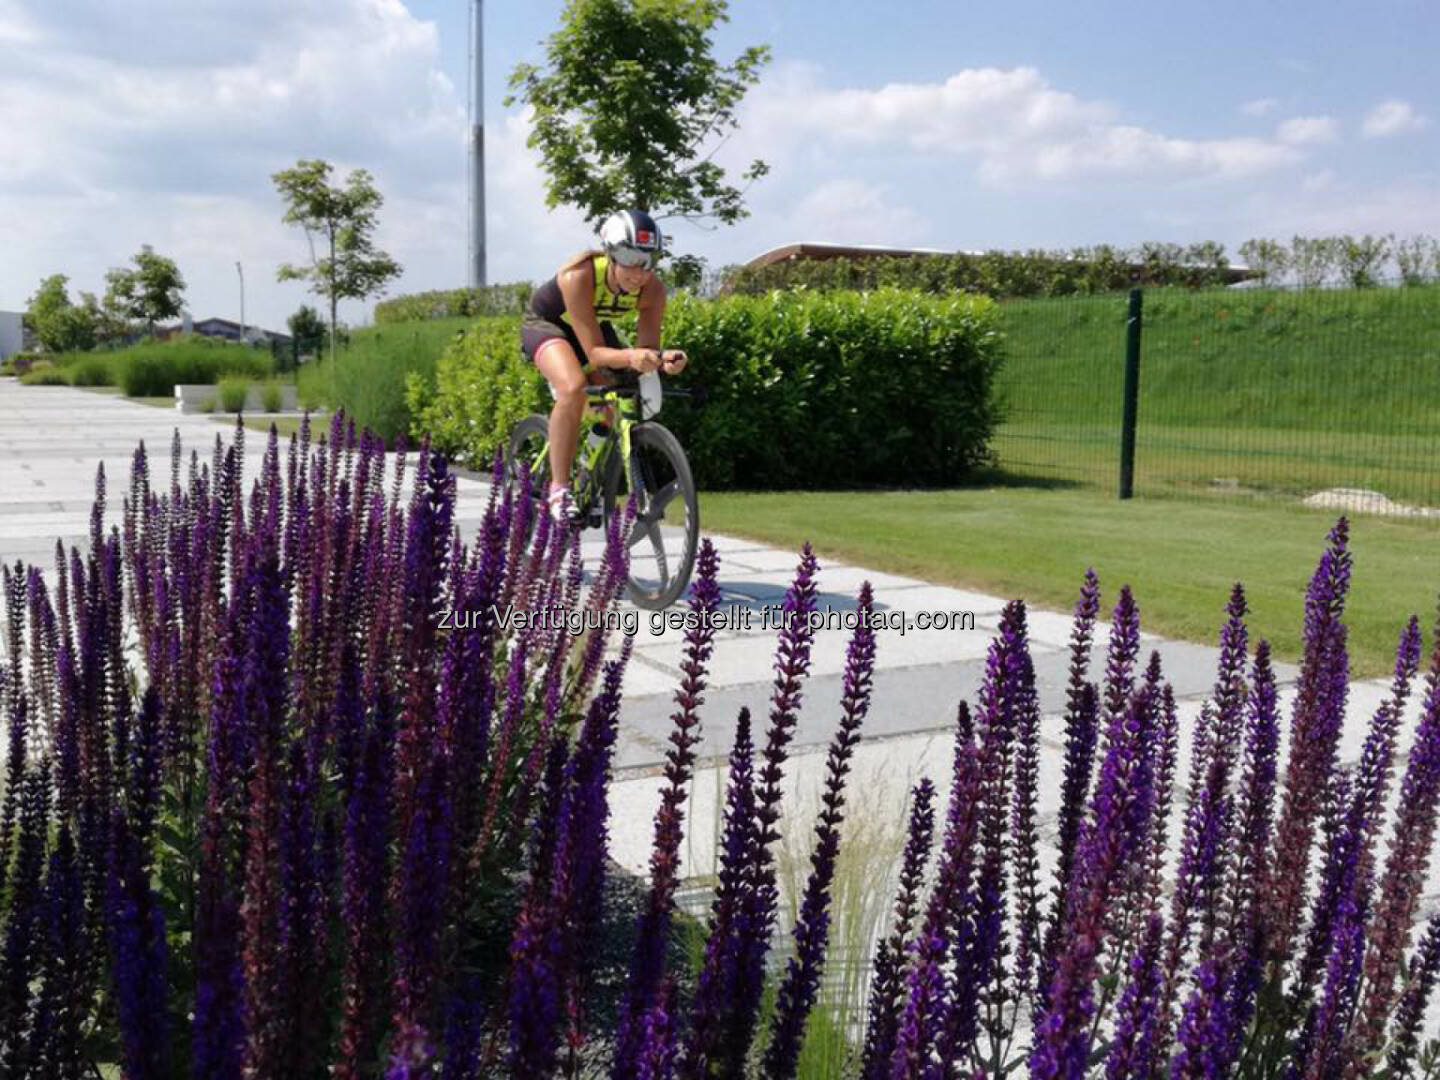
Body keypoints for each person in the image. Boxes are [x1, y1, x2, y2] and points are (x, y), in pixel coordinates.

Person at [520, 209, 688, 522]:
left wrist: (664, 361)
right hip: (548, 325)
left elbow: (647, 349)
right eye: (628, 257)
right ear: (610, 253)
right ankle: (558, 488)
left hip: (592, 327)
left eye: (649, 260)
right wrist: (633, 356)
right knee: (573, 388)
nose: (639, 272)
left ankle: (586, 482)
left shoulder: (653, 290)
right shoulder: (579, 275)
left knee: (612, 406)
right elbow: (596, 353)